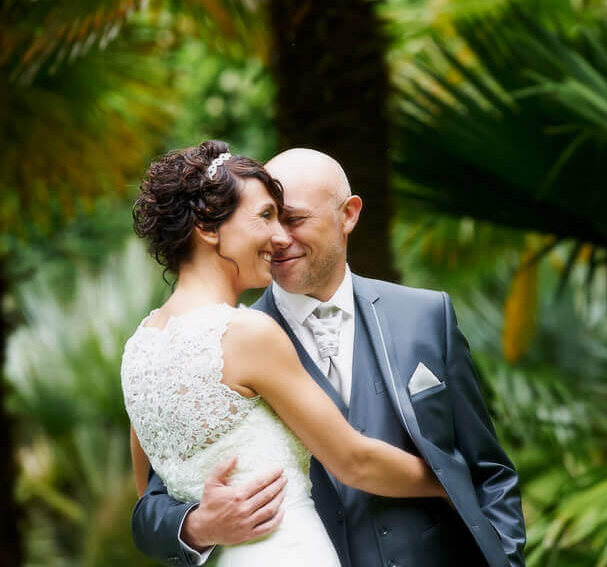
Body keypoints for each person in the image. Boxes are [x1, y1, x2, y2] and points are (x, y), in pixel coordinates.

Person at [132, 147, 526, 567]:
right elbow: (152, 502)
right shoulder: (232, 336)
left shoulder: (426, 316)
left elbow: (489, 470)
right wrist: (197, 526)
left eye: (293, 218)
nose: (279, 237)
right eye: (267, 217)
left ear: (349, 215)